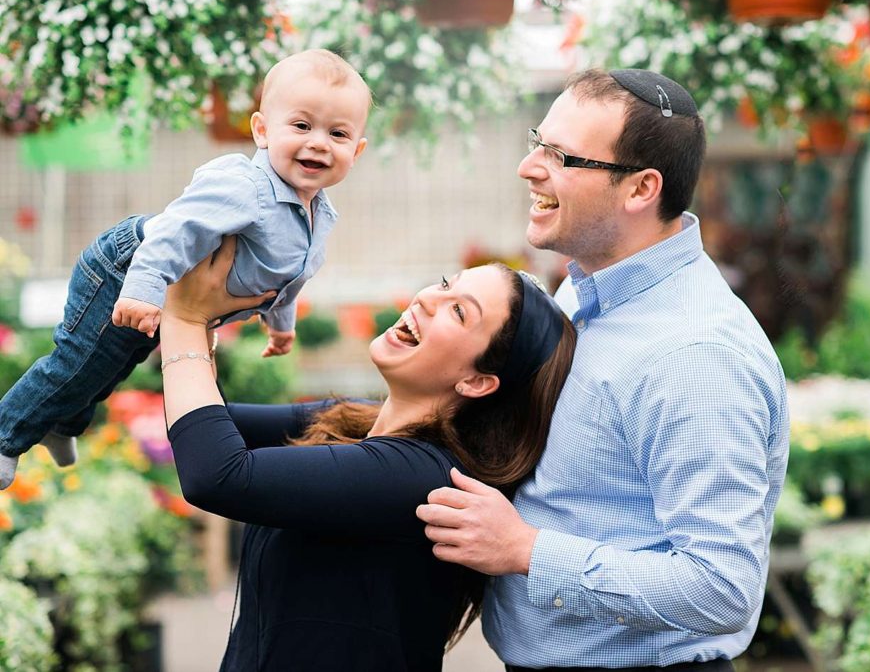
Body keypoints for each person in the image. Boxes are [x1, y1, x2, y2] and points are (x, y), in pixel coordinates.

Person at [416, 69, 790, 671]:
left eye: (560, 155)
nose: (529, 166)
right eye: (539, 141)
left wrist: (525, 549)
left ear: (640, 189)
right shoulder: (582, 289)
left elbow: (722, 587)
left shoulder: (695, 354)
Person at [160, 235, 576, 671]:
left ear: (477, 382)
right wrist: (194, 308)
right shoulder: (359, 422)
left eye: (458, 311)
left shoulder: (426, 479)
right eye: (444, 284)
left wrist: (185, 319)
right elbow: (205, 423)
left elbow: (217, 474)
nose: (429, 299)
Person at [0, 49, 371, 489]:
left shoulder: (318, 214)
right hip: (129, 267)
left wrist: (280, 324)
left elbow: (289, 276)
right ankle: (9, 438)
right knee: (78, 362)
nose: (319, 142)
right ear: (262, 130)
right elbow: (175, 229)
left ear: (357, 150)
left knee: (112, 366)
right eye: (302, 125)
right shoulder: (243, 185)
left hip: (166, 288)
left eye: (338, 133)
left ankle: (61, 425)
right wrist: (142, 287)